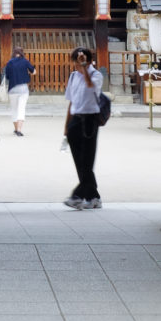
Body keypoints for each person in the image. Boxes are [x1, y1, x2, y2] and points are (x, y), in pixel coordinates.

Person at [62, 45, 103, 210]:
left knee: (87, 160)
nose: (76, 66)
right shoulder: (73, 76)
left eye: (79, 62)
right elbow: (71, 101)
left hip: (89, 120)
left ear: (88, 61)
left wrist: (85, 67)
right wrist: (66, 125)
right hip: (75, 120)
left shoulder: (96, 75)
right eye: (76, 63)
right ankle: (93, 196)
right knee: (79, 161)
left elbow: (91, 87)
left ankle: (78, 195)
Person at [2, 47, 34, 135]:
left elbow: (7, 76)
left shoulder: (9, 62)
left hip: (12, 89)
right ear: (22, 53)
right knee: (21, 109)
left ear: (13, 53)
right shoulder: (25, 61)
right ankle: (19, 130)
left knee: (14, 109)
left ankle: (16, 129)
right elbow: (33, 71)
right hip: (23, 88)